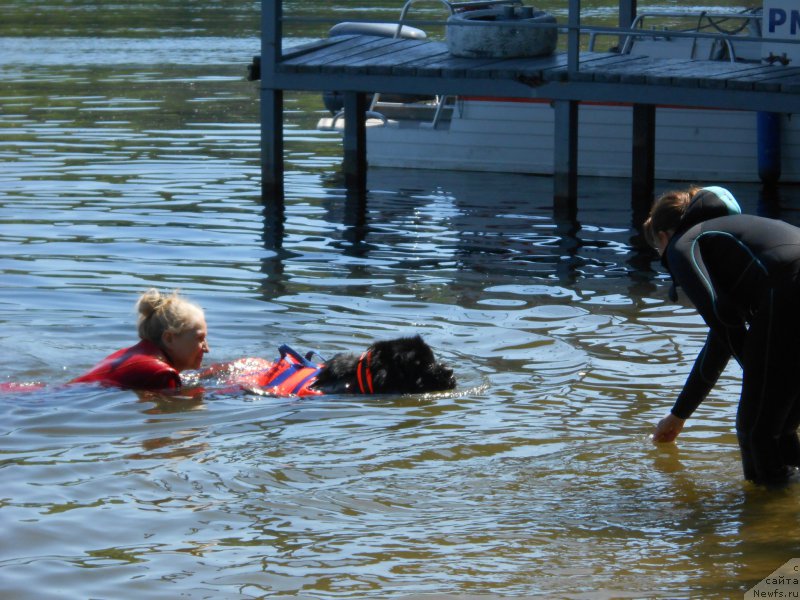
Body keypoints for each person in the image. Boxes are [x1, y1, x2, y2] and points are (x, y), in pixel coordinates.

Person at [644, 185, 800, 486]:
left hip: (790, 292)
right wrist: (679, 415)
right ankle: (786, 512)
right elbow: (721, 339)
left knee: (756, 431)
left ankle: (764, 524)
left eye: (657, 250)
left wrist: (758, 376)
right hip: (789, 295)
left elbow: (722, 318)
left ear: (663, 237)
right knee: (778, 432)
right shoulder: (734, 240)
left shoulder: (682, 245)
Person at [71, 288, 209, 390]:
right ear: (169, 339)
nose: (206, 348)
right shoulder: (162, 374)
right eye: (200, 338)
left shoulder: (129, 354)